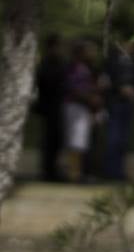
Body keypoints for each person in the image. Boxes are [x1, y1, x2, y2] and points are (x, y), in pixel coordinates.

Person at [62, 41, 101, 183]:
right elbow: (73, 88)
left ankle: (78, 171)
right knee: (75, 140)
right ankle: (73, 173)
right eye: (89, 51)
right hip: (75, 106)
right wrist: (90, 98)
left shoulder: (86, 68)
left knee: (81, 140)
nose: (92, 54)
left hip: (83, 107)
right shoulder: (73, 68)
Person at [102, 38, 134, 181]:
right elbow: (107, 82)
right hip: (116, 103)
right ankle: (111, 170)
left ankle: (119, 171)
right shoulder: (112, 62)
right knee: (114, 138)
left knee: (124, 139)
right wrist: (121, 89)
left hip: (129, 104)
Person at [35, 34, 66, 182]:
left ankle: (53, 170)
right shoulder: (47, 63)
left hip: (57, 105)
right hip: (49, 106)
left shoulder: (58, 62)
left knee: (57, 141)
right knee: (49, 140)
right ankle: (48, 171)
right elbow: (46, 83)